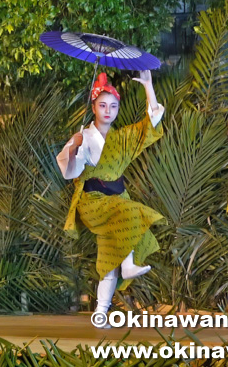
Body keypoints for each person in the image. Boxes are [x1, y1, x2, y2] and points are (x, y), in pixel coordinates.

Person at [57, 71, 165, 326]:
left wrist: (149, 86)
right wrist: (73, 147)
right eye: (102, 105)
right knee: (130, 210)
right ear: (93, 106)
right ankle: (128, 265)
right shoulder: (83, 136)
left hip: (116, 201)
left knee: (109, 259)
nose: (108, 110)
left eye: (113, 106)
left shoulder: (122, 137)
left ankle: (100, 314)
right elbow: (69, 170)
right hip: (93, 202)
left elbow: (152, 123)